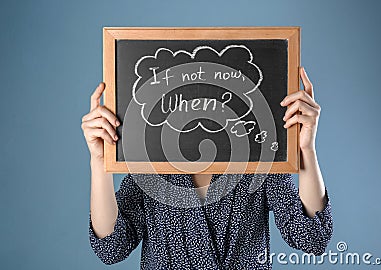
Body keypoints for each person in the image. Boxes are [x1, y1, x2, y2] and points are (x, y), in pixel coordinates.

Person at [81, 67, 333, 269]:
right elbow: (111, 248)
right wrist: (99, 161)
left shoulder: (258, 163)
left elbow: (312, 236)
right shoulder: (150, 166)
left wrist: (305, 150)